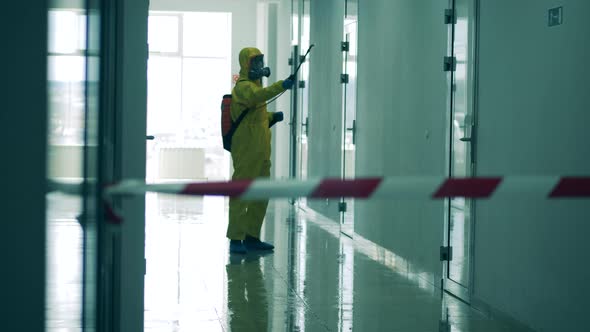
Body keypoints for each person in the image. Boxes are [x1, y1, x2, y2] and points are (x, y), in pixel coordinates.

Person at [227, 47, 294, 254]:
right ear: (245, 64)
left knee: (261, 192)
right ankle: (236, 239)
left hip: (262, 151)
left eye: (260, 61)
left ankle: (252, 236)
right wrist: (281, 85)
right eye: (254, 62)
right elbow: (259, 96)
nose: (258, 66)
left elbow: (255, 118)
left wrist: (273, 117)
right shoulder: (243, 87)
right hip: (246, 149)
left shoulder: (255, 87)